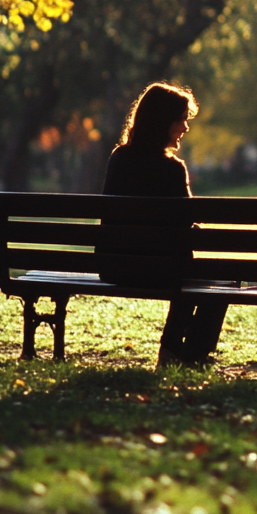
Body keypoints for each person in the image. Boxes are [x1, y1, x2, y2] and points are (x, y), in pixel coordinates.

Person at [100, 82, 227, 367]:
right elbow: (186, 221)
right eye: (181, 119)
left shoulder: (119, 158)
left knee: (182, 263)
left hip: (115, 266)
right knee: (221, 279)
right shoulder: (172, 168)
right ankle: (184, 353)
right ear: (163, 121)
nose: (185, 127)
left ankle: (175, 353)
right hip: (161, 270)